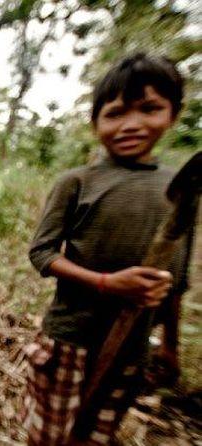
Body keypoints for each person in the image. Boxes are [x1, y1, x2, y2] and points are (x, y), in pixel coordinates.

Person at [21, 53, 193, 445]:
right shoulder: (77, 182)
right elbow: (43, 253)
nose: (131, 125)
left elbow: (176, 279)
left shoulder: (181, 188)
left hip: (132, 347)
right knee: (49, 434)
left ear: (173, 114)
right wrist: (105, 283)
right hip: (70, 339)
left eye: (149, 109)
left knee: (98, 432)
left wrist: (170, 345)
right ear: (96, 121)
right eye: (115, 113)